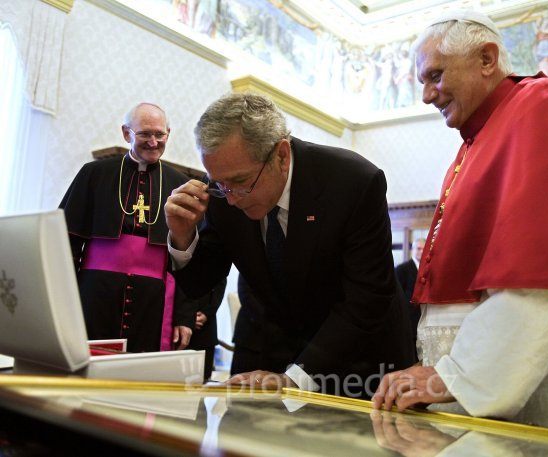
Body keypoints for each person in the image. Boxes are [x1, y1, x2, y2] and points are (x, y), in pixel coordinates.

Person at [373, 10, 548, 440]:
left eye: (435, 76)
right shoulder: (477, 140)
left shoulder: (546, 104)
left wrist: (459, 374)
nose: (426, 96)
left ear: (487, 59)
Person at [165, 93, 415, 397]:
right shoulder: (225, 189)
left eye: (241, 183)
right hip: (275, 351)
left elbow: (368, 298)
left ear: (281, 156)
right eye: (220, 184)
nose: (230, 199)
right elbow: (199, 283)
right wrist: (182, 235)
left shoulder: (353, 182)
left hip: (360, 364)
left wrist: (296, 378)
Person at [60, 103, 194, 353]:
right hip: (96, 292)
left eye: (160, 134)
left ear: (168, 134)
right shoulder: (94, 174)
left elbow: (186, 260)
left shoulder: (180, 185)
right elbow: (65, 243)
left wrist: (184, 315)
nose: (153, 142)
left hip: (153, 300)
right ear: (126, 133)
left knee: (140, 367)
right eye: (145, 134)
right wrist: (62, 300)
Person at [186, 278, 227, 381]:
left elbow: (220, 285)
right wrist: (186, 317)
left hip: (206, 327)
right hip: (179, 325)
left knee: (204, 378)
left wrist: (206, 313)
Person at [394, 238, 425, 344]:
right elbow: (397, 295)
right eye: (419, 248)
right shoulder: (402, 269)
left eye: (423, 249)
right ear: (413, 249)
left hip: (423, 315)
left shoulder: (428, 269)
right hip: (408, 316)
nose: (421, 251)